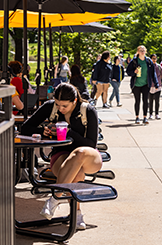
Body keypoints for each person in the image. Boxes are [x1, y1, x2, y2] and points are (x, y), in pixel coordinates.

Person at [20, 83, 101, 231]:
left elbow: (91, 142)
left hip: (89, 155)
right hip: (61, 155)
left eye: (64, 106)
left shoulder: (87, 110)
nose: (60, 109)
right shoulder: (50, 107)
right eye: (57, 104)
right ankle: (77, 214)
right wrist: (42, 131)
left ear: (74, 101)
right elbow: (25, 127)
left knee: (80, 153)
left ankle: (55, 198)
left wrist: (69, 132)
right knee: (77, 173)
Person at [126, 45, 159, 125]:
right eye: (141, 50)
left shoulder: (148, 61)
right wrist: (134, 72)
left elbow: (153, 73)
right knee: (137, 101)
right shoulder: (134, 61)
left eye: (143, 50)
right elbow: (128, 71)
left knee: (145, 101)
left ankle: (145, 117)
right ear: (138, 52)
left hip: (146, 84)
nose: (142, 52)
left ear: (146, 51)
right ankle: (137, 117)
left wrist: (156, 83)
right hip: (136, 84)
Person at [148, 54, 162, 120]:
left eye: (155, 58)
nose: (154, 60)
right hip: (150, 86)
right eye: (153, 58)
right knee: (150, 101)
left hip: (158, 86)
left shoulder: (159, 67)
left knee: (157, 100)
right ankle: (151, 114)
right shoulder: (148, 66)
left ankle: (157, 114)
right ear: (150, 59)